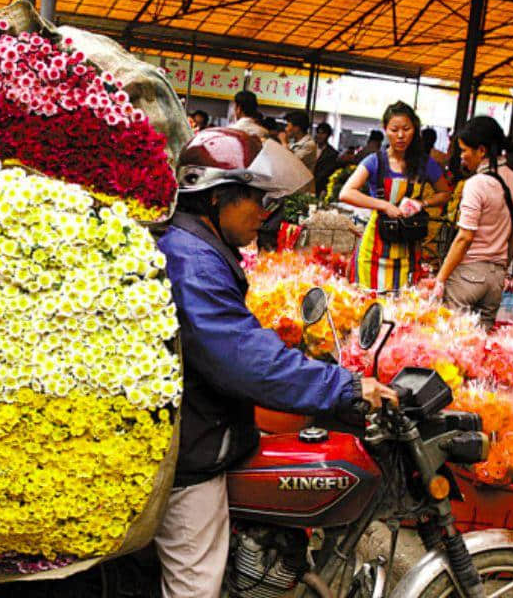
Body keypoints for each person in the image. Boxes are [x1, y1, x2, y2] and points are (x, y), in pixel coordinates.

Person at [154, 127, 397, 598]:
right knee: (195, 586)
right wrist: (344, 385)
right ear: (216, 199)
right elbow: (245, 360)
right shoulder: (193, 260)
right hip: (193, 452)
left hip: (201, 424)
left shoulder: (196, 245)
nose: (263, 212)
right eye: (253, 199)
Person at [339, 101, 451, 291]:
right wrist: (384, 205)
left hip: (409, 248)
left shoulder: (425, 163)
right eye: (394, 129)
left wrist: (422, 203)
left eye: (406, 129)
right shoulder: (374, 161)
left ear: (415, 130)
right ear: (385, 130)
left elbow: (445, 193)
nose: (400, 136)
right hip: (373, 250)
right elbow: (346, 193)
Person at [432, 116, 513, 329]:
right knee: (480, 347)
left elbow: (465, 237)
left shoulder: (476, 183)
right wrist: (503, 268)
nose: (462, 157)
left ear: (481, 150)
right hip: (496, 280)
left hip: (468, 276)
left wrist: (441, 278)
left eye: (464, 150)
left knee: (452, 339)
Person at [313, 121, 339, 197]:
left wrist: (324, 189)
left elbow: (328, 173)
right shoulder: (310, 147)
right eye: (318, 133)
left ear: (328, 135)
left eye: (323, 133)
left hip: (320, 188)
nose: (320, 136)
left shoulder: (332, 153)